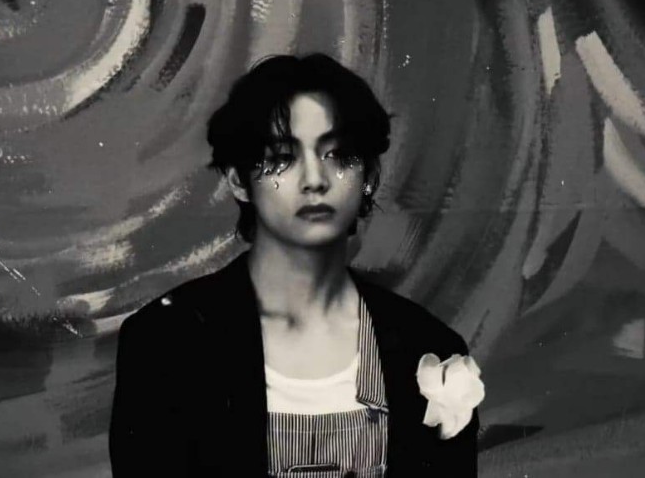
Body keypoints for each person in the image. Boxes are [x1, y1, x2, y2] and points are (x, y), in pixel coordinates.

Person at [109, 54, 480, 476]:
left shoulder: (428, 347)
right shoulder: (166, 342)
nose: (314, 180)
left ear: (369, 177)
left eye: (338, 154)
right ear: (238, 180)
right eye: (282, 157)